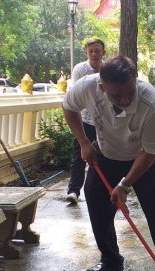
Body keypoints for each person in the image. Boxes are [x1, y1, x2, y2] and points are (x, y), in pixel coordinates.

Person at [62, 56, 155, 271]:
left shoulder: (150, 101)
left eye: (129, 92)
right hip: (105, 154)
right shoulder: (87, 86)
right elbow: (68, 107)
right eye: (117, 95)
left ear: (135, 80)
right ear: (102, 87)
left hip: (142, 157)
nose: (124, 99)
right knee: (97, 204)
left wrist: (124, 185)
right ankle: (111, 261)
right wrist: (84, 142)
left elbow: (150, 151)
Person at [66, 39, 106, 204]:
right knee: (80, 154)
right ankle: (74, 190)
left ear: (103, 52)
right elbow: (75, 96)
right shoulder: (80, 69)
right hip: (85, 120)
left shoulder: (108, 69)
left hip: (104, 121)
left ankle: (104, 187)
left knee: (105, 155)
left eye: (97, 51)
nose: (94, 54)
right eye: (91, 51)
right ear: (86, 53)